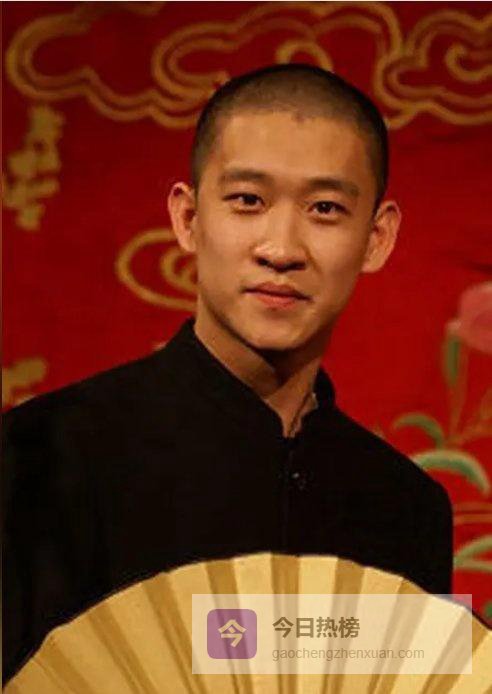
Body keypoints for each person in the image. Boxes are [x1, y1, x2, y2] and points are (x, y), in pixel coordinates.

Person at [2, 64, 453, 686]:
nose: (281, 248)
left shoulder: (405, 507)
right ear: (188, 218)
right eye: (247, 201)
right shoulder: (41, 459)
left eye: (325, 208)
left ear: (377, 237)